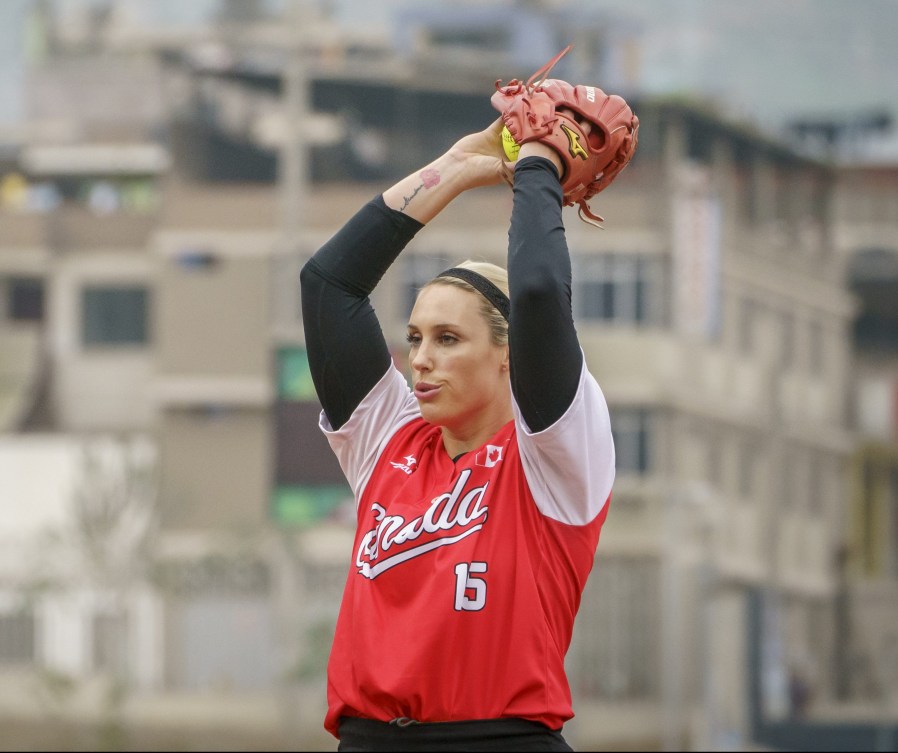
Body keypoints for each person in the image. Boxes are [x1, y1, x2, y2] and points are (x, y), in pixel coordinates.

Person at [299, 113, 616, 751]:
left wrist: (538, 166)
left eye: (448, 339)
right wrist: (455, 167)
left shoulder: (555, 455)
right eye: (415, 338)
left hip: (500, 740)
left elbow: (536, 292)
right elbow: (328, 285)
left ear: (510, 354)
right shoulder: (387, 439)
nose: (420, 358)